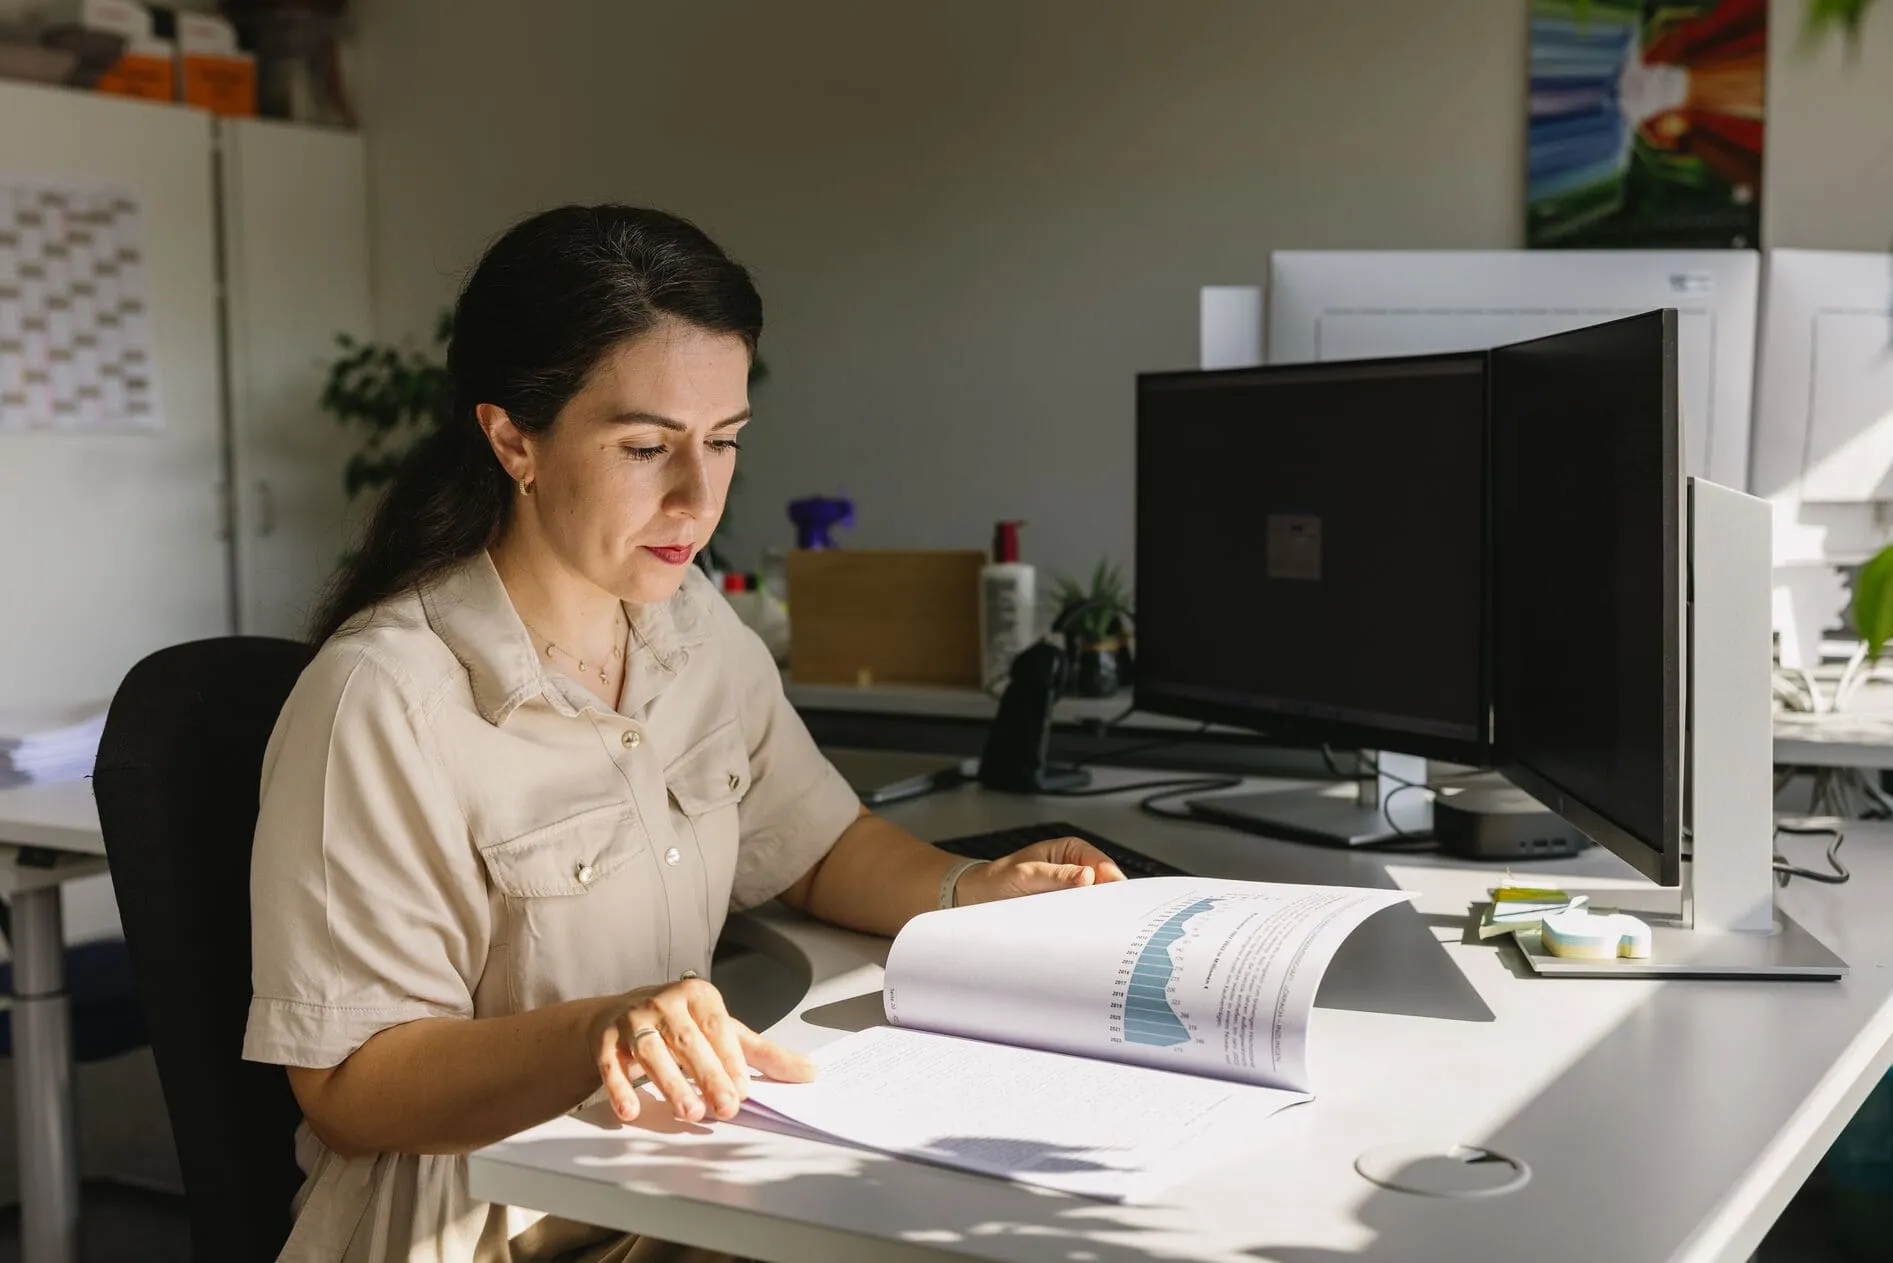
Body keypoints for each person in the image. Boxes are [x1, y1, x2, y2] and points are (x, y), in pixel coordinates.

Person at [243, 205, 1125, 1263]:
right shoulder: (383, 699)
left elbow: (816, 842)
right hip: (485, 1224)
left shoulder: (687, 618)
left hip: (671, 1178)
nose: (697, 497)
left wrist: (965, 890)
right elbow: (349, 1088)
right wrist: (599, 1033)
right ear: (512, 438)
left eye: (724, 443)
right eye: (647, 446)